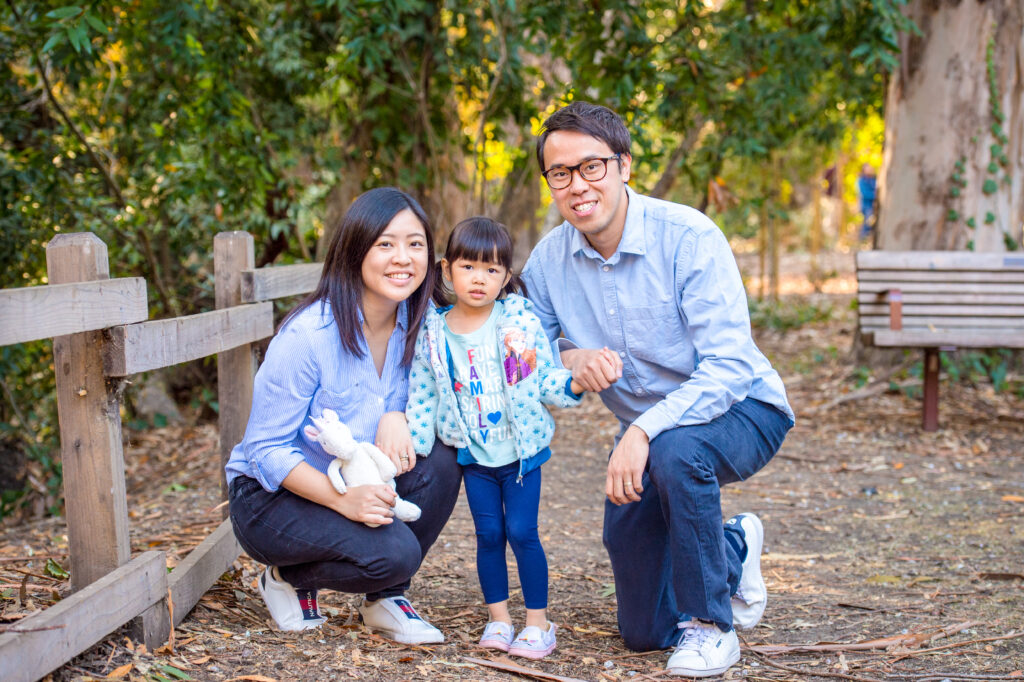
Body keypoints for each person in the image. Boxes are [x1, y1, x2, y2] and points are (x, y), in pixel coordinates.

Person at [521, 101, 795, 677]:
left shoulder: (689, 236)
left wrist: (642, 429)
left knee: (677, 452)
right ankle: (734, 549)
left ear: (624, 166)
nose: (577, 185)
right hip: (646, 433)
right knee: (644, 632)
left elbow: (727, 366)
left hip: (744, 408)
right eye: (560, 174)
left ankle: (712, 627)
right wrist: (570, 358)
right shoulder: (547, 262)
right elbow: (528, 359)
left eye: (591, 166)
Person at [225, 187, 462, 644]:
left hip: (361, 474)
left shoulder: (423, 321)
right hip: (274, 497)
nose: (403, 258)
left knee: (444, 459)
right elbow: (264, 449)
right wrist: (339, 501)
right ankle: (285, 578)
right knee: (395, 553)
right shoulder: (309, 335)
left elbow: (449, 394)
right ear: (356, 250)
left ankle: (387, 601)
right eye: (385, 244)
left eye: (415, 244)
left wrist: (396, 411)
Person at [406, 217, 600, 659]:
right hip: (474, 457)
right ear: (446, 270)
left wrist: (571, 385)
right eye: (469, 266)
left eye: (492, 270)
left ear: (506, 278)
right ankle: (498, 618)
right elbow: (423, 391)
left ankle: (537, 623)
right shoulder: (436, 332)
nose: (480, 278)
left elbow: (535, 379)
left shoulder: (514, 324)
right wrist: (417, 444)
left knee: (522, 531)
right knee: (488, 535)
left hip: (520, 454)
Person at [857, 163, 877, 241]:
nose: (869, 170)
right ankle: (863, 240)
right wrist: (875, 196)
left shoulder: (874, 179)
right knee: (867, 223)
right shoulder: (861, 180)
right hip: (866, 205)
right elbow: (864, 193)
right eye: (867, 168)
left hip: (874, 205)